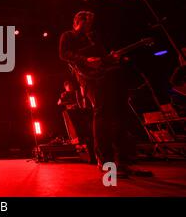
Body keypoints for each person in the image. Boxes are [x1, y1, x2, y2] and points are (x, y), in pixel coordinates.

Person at [59, 11, 152, 177]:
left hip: (108, 76)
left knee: (119, 116)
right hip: (89, 78)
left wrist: (113, 58)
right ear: (77, 21)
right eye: (85, 22)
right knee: (102, 115)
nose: (89, 25)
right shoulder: (68, 36)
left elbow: (103, 58)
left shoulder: (94, 37)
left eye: (91, 22)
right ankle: (105, 161)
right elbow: (64, 54)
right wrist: (85, 60)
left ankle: (123, 163)